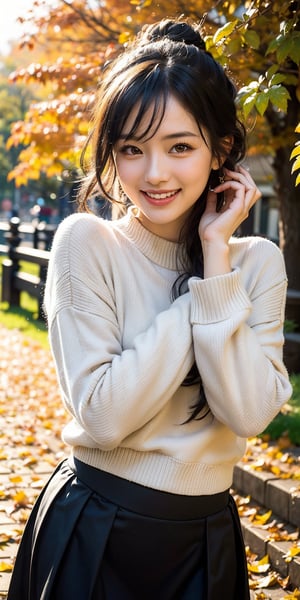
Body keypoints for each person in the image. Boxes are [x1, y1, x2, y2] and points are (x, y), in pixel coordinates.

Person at [8, 18, 292, 600]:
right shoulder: (87, 244)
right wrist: (202, 300)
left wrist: (216, 258)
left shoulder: (256, 262)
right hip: (95, 527)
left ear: (224, 150)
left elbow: (248, 413)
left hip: (206, 535)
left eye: (180, 147)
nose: (154, 174)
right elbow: (104, 417)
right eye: (131, 150)